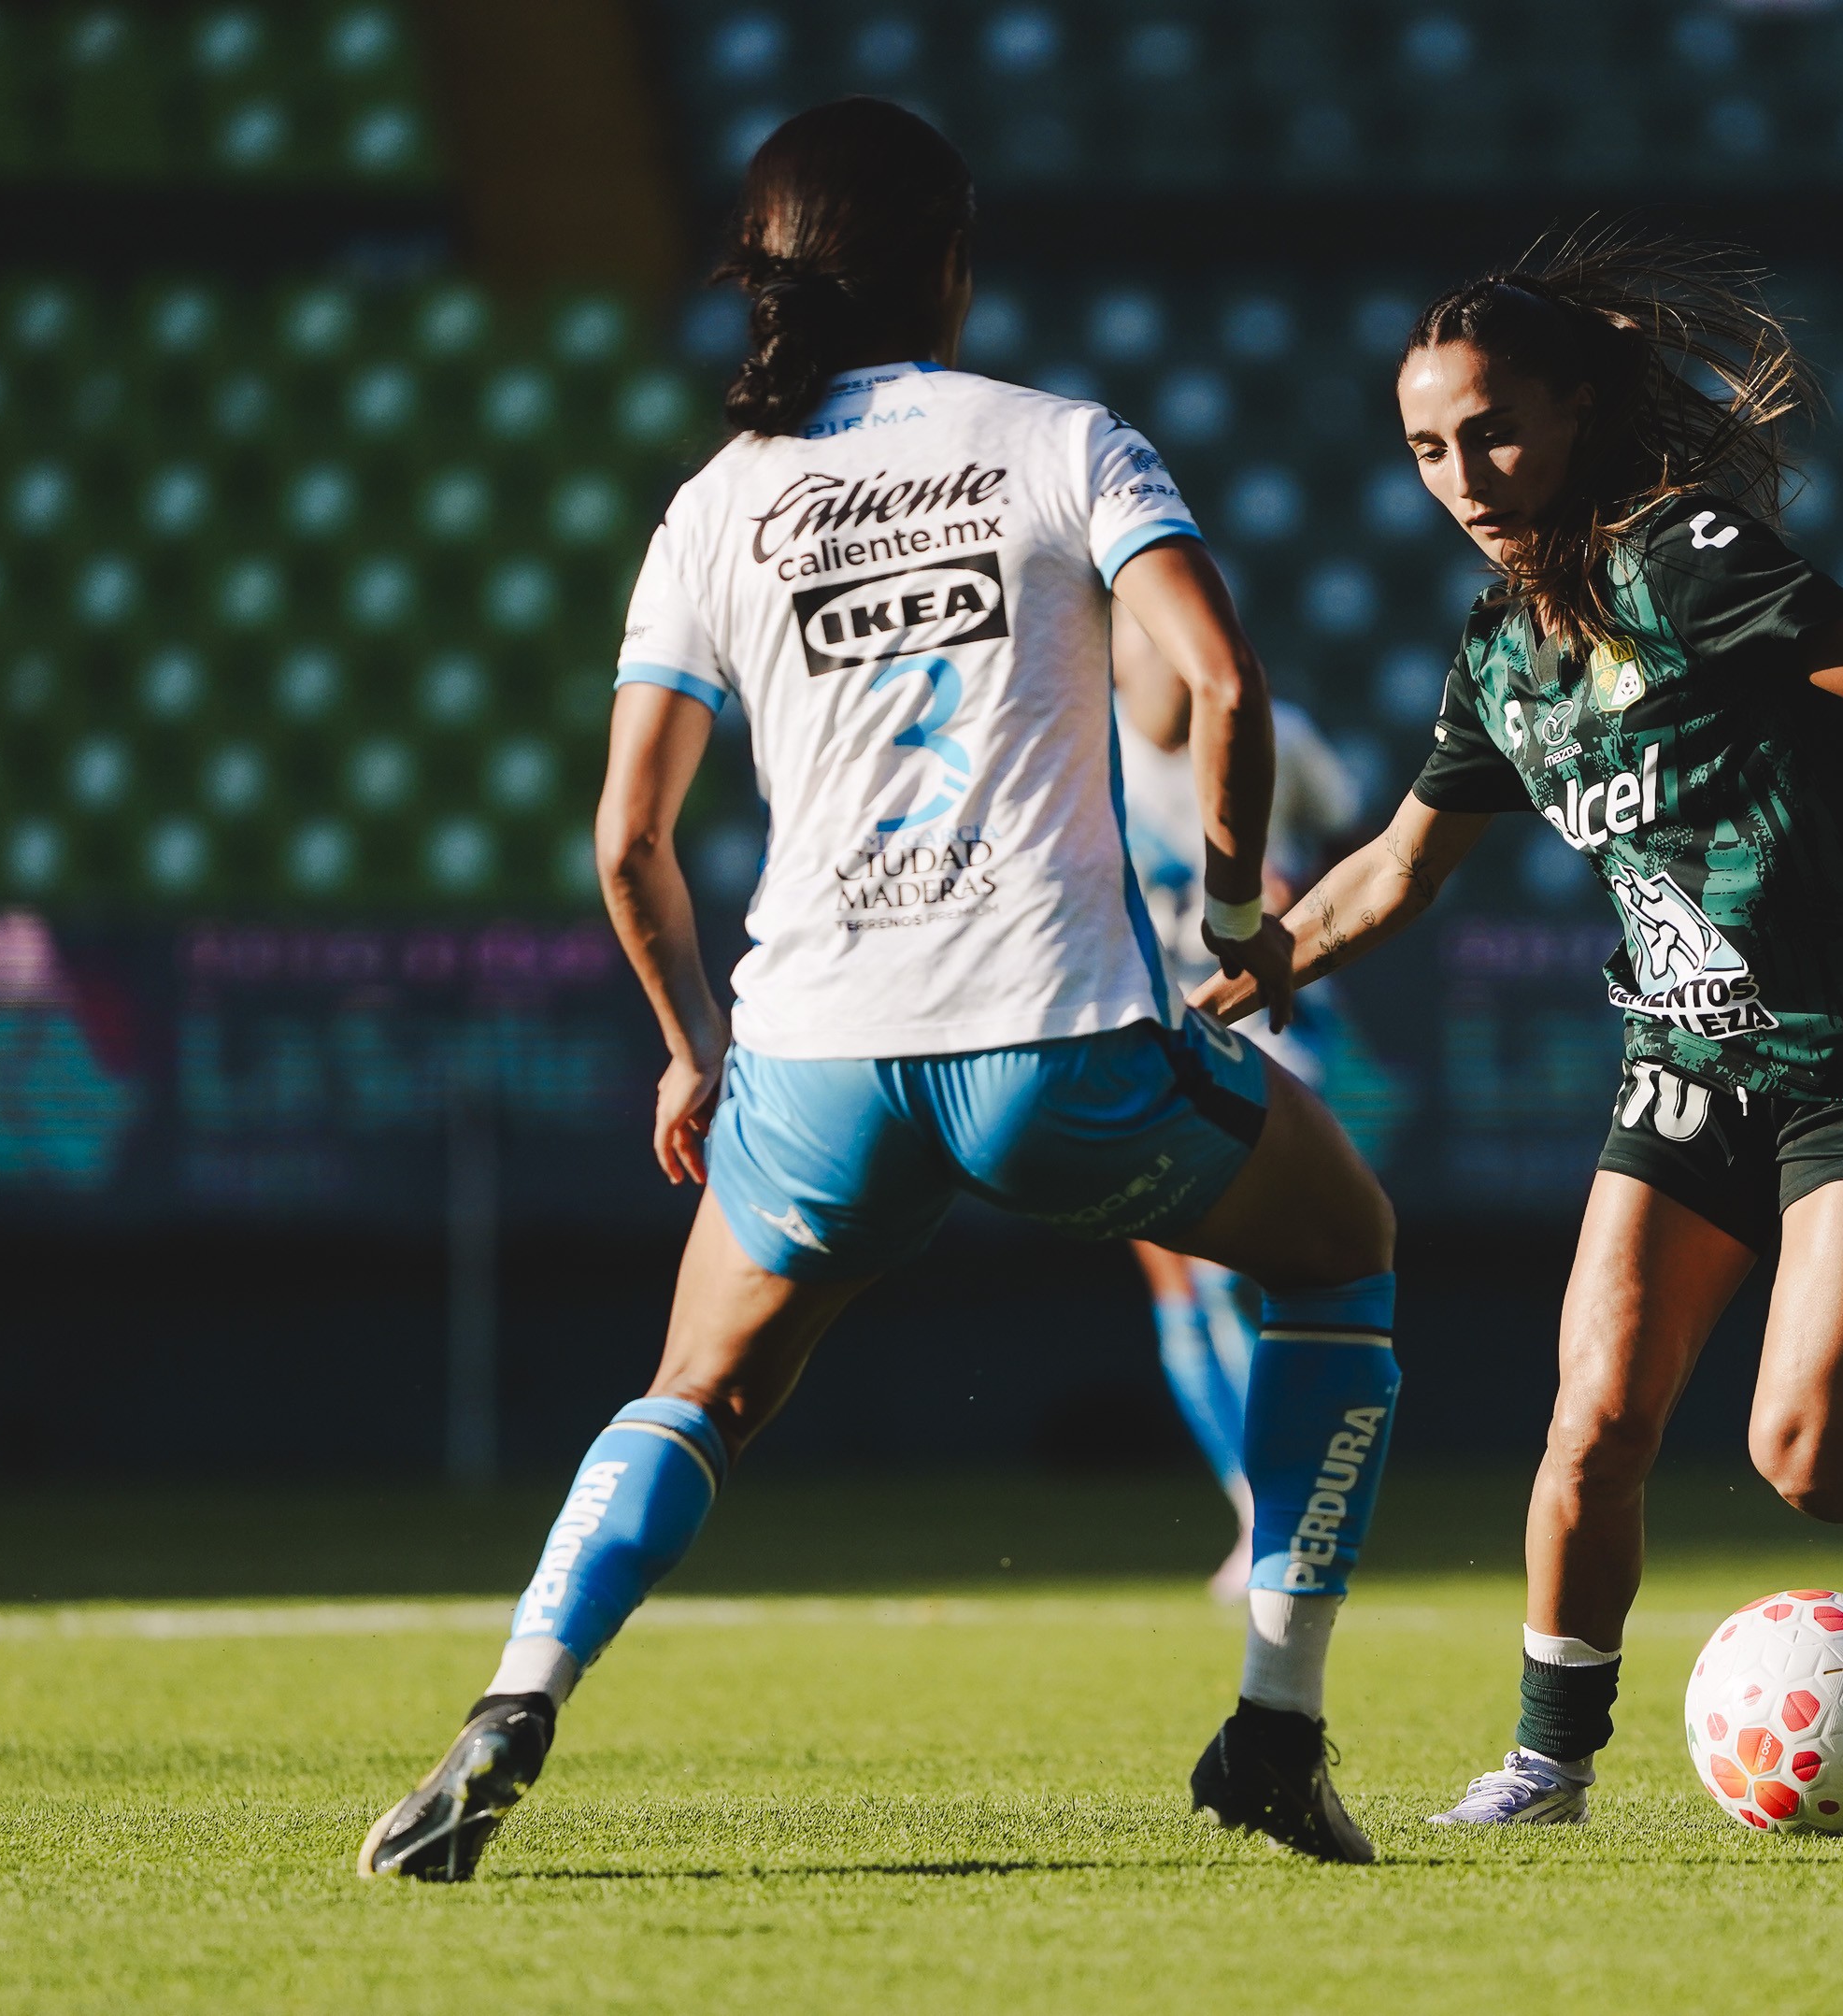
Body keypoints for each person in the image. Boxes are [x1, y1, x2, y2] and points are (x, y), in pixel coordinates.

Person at [357, 98, 1405, 1879]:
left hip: (816, 1059)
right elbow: (1222, 688)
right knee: (1342, 1245)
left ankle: (514, 1703)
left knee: (696, 1392)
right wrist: (1234, 920)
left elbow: (629, 841)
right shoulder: (1068, 441)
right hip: (1053, 1044)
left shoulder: (717, 501)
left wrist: (694, 1052)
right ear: (952, 268)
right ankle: (1275, 1725)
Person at [1191, 231, 1843, 1826]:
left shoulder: (1687, 555)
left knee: (1805, 1456)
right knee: (1594, 1420)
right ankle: (1548, 1763)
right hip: (1684, 1070)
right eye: (1426, 446)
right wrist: (1274, 956)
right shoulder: (1499, 655)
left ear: (1570, 408)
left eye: (1491, 428)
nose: (1463, 471)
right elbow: (1405, 862)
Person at [1112, 610, 1366, 1598]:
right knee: (1177, 1283)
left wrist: (1291, 893)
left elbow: (1341, 828)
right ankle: (1256, 1510)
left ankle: (1299, 1499)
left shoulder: (1272, 729)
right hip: (1151, 1039)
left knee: (1243, 1273)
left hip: (1275, 1032)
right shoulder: (1089, 757)